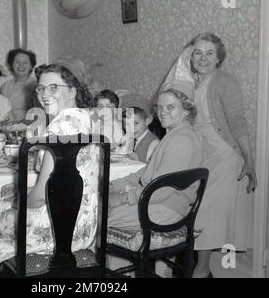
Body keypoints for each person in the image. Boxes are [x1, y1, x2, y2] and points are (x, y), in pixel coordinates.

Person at [0, 57, 98, 278]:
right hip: (85, 228)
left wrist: (17, 201)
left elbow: (41, 197)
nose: (44, 94)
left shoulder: (59, 128)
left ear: (72, 91)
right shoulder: (88, 118)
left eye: (54, 88)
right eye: (41, 88)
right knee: (9, 196)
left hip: (55, 233)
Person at [183, 33, 257, 278]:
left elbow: (237, 122)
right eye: (197, 53)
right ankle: (200, 268)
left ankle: (201, 270)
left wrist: (249, 159)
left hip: (224, 155)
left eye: (209, 53)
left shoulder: (225, 82)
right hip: (200, 152)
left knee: (206, 213)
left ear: (218, 59)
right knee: (195, 210)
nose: (203, 58)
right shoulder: (188, 82)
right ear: (190, 56)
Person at [107, 80, 202, 230]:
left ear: (187, 110)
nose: (163, 112)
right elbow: (146, 172)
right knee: (101, 207)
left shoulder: (182, 140)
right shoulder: (174, 135)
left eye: (170, 107)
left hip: (167, 208)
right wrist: (113, 185)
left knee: (99, 217)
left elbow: (162, 189)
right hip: (159, 202)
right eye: (160, 107)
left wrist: (123, 198)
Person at [0, 48, 37, 122]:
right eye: (17, 62)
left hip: (30, 127)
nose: (21, 65)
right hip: (9, 127)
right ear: (12, 65)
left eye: (25, 62)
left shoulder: (35, 85)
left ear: (31, 66)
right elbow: (2, 110)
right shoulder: (5, 86)